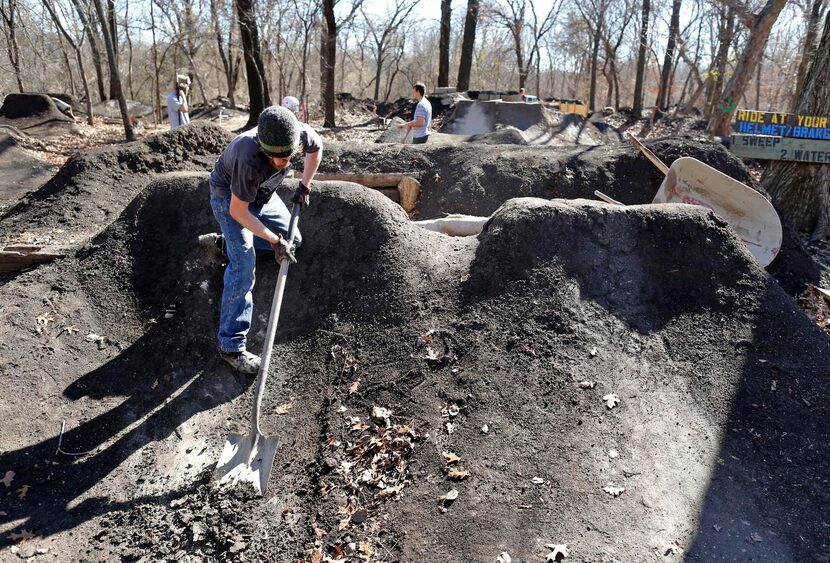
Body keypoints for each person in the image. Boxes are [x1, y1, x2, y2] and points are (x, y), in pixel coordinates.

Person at [198, 106, 323, 374]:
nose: (282, 163)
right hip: (230, 198)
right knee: (243, 266)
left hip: (263, 195)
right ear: (263, 149)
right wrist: (274, 240)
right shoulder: (248, 156)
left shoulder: (296, 132)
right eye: (275, 159)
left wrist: (305, 186)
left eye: (287, 157)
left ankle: (224, 245)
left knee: (295, 239)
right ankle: (230, 346)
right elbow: (239, 211)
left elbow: (316, 148)